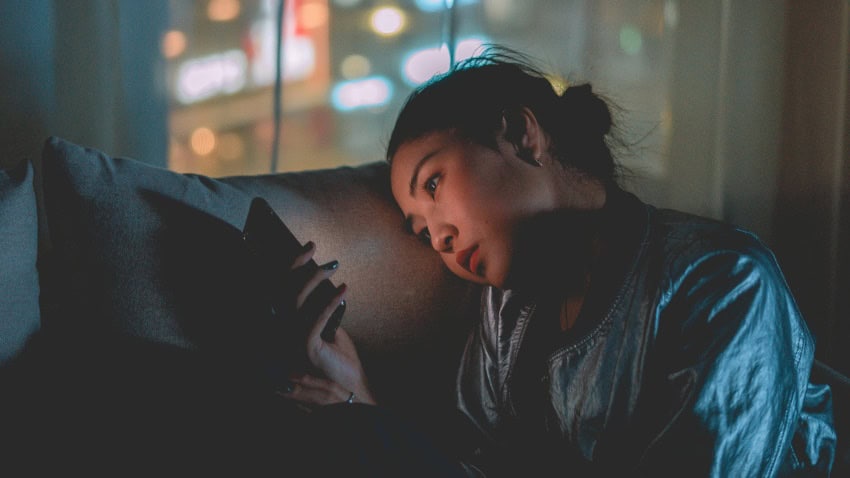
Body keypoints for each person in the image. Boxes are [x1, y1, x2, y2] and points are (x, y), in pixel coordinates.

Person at [281, 47, 837, 476]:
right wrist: (360, 400)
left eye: (434, 183)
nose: (440, 239)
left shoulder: (722, 281)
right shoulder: (505, 315)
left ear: (522, 136)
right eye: (422, 232)